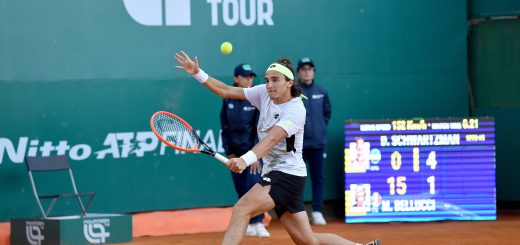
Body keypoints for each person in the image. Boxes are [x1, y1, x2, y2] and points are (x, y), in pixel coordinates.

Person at [174, 51, 380, 245]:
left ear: (289, 82)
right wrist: (198, 73)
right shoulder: (263, 93)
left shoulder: (295, 109)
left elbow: (272, 139)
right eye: (267, 80)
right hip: (280, 174)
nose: (269, 85)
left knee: (241, 209)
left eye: (275, 80)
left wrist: (244, 160)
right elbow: (227, 91)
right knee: (309, 241)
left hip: (286, 175)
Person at [220, 63, 270, 238]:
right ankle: (251, 222)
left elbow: (260, 128)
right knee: (241, 189)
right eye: (245, 76)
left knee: (254, 187)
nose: (249, 79)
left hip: (253, 153)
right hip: (235, 153)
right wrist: (230, 152)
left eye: (251, 76)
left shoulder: (256, 98)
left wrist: (255, 155)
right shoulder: (228, 99)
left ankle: (259, 221)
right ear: (236, 79)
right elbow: (224, 127)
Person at [296, 57, 332, 225]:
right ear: (298, 73)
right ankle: (299, 213)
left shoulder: (321, 91)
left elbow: (326, 114)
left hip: (318, 144)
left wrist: (318, 131)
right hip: (298, 145)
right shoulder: (294, 92)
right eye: (303, 69)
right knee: (298, 179)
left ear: (314, 72)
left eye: (309, 69)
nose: (306, 72)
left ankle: (317, 212)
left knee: (318, 178)